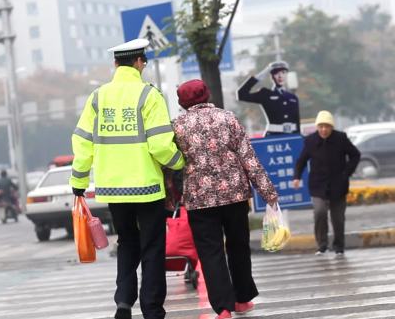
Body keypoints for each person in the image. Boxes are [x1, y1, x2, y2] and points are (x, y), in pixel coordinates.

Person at [70, 38, 185, 319]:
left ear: (115, 64)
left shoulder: (98, 97)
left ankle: (123, 302)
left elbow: (82, 142)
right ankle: (152, 308)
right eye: (143, 62)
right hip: (146, 188)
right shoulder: (149, 96)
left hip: (112, 189)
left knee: (127, 242)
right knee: (153, 247)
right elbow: (160, 144)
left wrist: (79, 182)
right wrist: (179, 162)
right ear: (138, 62)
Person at [173, 79, 278, 319]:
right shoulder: (227, 118)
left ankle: (222, 308)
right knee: (238, 247)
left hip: (200, 200)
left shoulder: (177, 126)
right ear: (207, 94)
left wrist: (173, 197)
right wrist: (268, 192)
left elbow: (173, 165)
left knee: (211, 253)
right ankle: (242, 299)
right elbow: (247, 157)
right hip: (235, 195)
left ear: (181, 102)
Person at [293, 110, 360, 256]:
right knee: (320, 212)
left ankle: (339, 247)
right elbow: (301, 161)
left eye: (327, 126)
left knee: (338, 218)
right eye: (321, 126)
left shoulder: (341, 138)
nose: (324, 129)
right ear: (317, 127)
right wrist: (296, 177)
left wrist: (346, 173)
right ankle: (322, 245)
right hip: (318, 185)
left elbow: (355, 155)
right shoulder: (310, 141)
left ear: (332, 127)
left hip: (338, 185)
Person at [237, 60, 300, 135]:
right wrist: (264, 72)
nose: (280, 76)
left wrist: (299, 137)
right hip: (273, 135)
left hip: (291, 135)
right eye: (276, 73)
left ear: (287, 75)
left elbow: (296, 121)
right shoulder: (265, 94)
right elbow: (241, 94)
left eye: (283, 73)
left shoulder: (292, 97)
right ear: (272, 77)